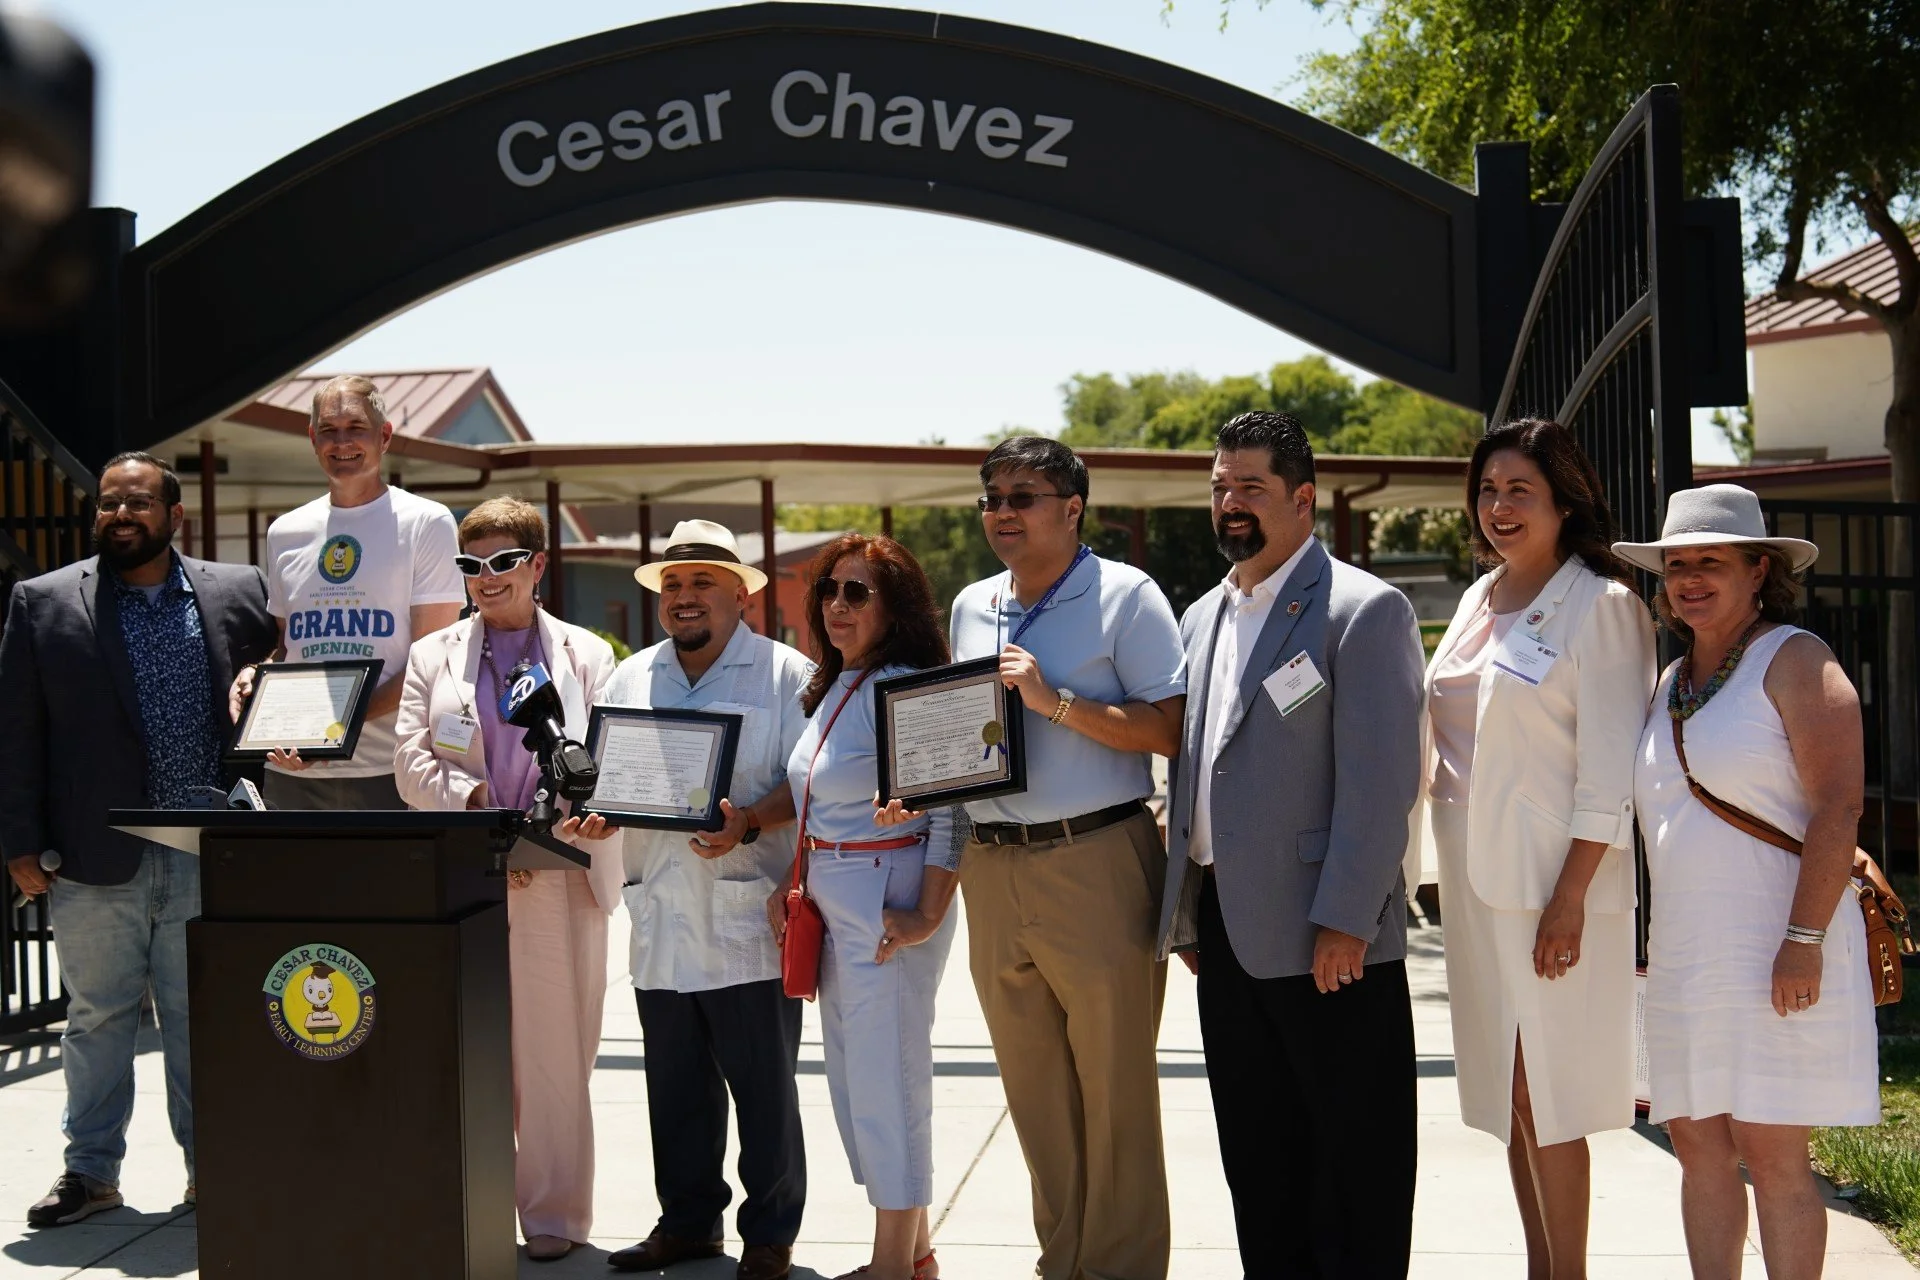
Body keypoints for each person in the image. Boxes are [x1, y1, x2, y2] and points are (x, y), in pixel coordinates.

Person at [1156, 412, 1425, 1278]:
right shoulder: (1201, 616)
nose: (1231, 504)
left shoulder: (1363, 610)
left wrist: (1347, 918)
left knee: (1355, 1173)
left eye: (1252, 489)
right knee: (1260, 1164)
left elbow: (1383, 783)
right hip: (1228, 936)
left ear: (1303, 500)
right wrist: (1190, 914)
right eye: (1220, 487)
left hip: (1328, 939)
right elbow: (1202, 767)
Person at [0, 452, 275, 1225]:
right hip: (95, 850)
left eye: (138, 504)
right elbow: (16, 733)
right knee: (96, 1018)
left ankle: (211, 1170)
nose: (121, 516)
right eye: (109, 505)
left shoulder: (237, 591)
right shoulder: (43, 601)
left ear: (174, 516)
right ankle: (90, 1174)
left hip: (207, 847)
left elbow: (271, 706)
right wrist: (20, 839)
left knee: (204, 1019)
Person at [1620, 485, 1877, 1280]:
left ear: (1759, 569)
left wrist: (1802, 943)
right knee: (1696, 1146)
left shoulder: (1796, 658)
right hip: (1686, 957)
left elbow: (1839, 806)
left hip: (1778, 946)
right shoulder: (1667, 681)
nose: (1690, 578)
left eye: (1712, 562)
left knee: (1773, 1153)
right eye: (1677, 565)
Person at [1419, 419, 1654, 1279]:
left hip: (1557, 890)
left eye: (1520, 490)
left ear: (1565, 498)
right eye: (1487, 490)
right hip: (1477, 885)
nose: (1499, 507)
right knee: (1507, 1102)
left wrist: (1569, 900)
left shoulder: (1605, 604)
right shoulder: (1483, 597)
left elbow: (1608, 777)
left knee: (1545, 1098)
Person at [948, 435, 1186, 1280]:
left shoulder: (1127, 596)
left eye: (1024, 496)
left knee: (1115, 1093)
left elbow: (1168, 729)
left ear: (1072, 506)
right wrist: (925, 785)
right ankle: (1064, 1263)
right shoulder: (973, 604)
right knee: (1035, 1093)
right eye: (992, 498)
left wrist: (1055, 702)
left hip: (1097, 856)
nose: (1003, 513)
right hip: (992, 864)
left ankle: (1120, 1269)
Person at [392, 497, 618, 1263]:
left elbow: (609, 762)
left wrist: (552, 830)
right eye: (469, 565)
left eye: (500, 563)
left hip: (560, 874)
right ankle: (473, 1202)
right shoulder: (434, 656)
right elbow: (412, 762)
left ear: (536, 566)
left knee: (557, 1058)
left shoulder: (588, 654)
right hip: (471, 867)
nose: (484, 579)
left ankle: (553, 1214)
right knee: (467, 1049)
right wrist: (483, 813)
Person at [603, 519, 810, 1280]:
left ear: (740, 596)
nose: (684, 597)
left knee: (764, 1092)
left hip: (743, 908)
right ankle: (688, 1224)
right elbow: (610, 775)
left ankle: (770, 1234)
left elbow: (812, 779)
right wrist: (597, 807)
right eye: (673, 584)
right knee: (676, 1090)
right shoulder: (631, 677)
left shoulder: (785, 674)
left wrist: (752, 819)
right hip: (658, 908)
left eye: (702, 583)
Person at [763, 535, 963, 1280]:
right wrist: (793, 883)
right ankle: (912, 1257)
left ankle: (891, 1267)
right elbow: (817, 806)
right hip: (832, 896)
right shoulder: (838, 684)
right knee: (854, 1082)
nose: (837, 606)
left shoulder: (907, 687)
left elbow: (953, 812)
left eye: (858, 592)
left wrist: (928, 913)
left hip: (889, 901)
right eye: (829, 591)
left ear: (895, 606)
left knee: (891, 1081)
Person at [231, 374, 465, 807]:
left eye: (356, 428)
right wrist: (256, 677)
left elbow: (431, 660)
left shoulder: (426, 523)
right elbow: (291, 645)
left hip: (389, 769)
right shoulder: (286, 531)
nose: (342, 443)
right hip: (291, 768)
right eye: (328, 430)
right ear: (312, 439)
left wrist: (334, 727)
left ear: (385, 435)